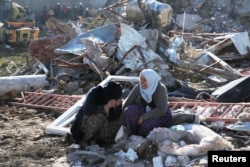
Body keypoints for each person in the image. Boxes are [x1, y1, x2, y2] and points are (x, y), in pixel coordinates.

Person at [122, 69, 202, 138]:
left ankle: (143, 140)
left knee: (146, 125)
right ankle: (131, 135)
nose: (142, 82)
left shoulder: (160, 89)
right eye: (141, 79)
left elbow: (161, 110)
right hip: (144, 109)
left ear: (150, 80)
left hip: (159, 115)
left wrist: (143, 117)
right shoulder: (139, 87)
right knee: (129, 111)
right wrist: (120, 112)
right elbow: (129, 101)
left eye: (144, 80)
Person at [70, 81, 123, 146]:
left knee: (120, 122)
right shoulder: (95, 92)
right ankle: (85, 140)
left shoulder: (117, 99)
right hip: (85, 125)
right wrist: (105, 106)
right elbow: (87, 110)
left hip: (104, 126)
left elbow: (115, 117)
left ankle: (99, 140)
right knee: (98, 117)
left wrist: (116, 108)